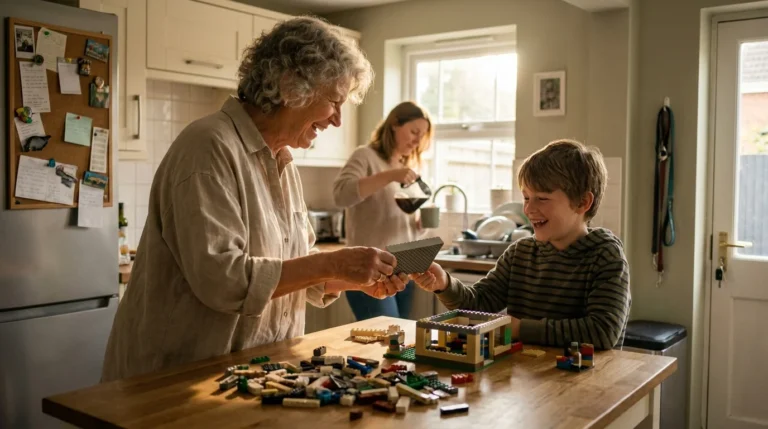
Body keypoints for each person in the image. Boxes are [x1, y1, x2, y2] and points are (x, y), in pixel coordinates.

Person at [101, 17, 409, 382]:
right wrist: (336, 264)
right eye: (333, 102)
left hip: (250, 376)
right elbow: (224, 280)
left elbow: (294, 267)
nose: (338, 121)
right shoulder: (208, 147)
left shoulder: (282, 162)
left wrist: (351, 277)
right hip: (174, 380)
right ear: (290, 85)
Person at [410, 140, 631, 350]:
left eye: (542, 199)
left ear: (583, 202)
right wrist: (444, 283)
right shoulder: (520, 252)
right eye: (526, 198)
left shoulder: (605, 256)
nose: (528, 209)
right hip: (524, 381)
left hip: (583, 383)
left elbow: (602, 332)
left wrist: (519, 329)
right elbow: (479, 303)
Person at [333, 101, 434, 321]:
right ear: (395, 125)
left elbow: (399, 223)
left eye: (422, 134)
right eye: (414, 132)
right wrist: (390, 175)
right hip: (371, 269)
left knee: (398, 344)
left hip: (404, 269)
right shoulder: (365, 156)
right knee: (384, 340)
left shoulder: (409, 167)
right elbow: (341, 195)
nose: (418, 140)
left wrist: (419, 225)